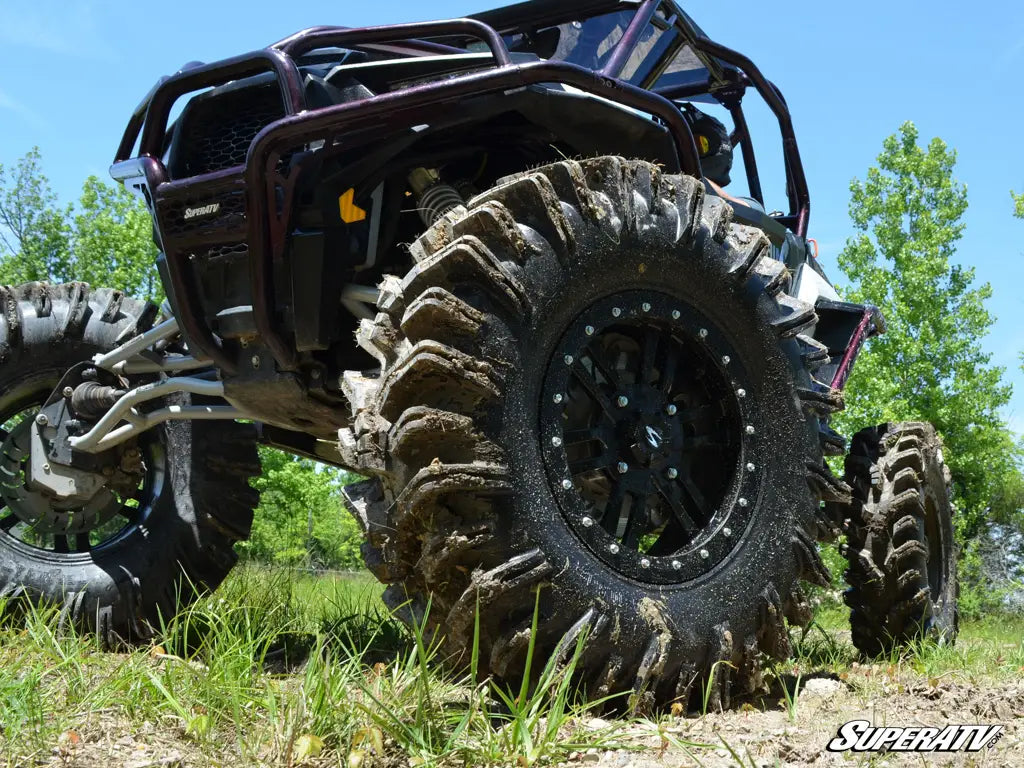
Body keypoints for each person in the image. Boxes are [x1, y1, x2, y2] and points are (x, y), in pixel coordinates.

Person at [680, 104, 764, 212]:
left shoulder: (748, 206)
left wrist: (694, 181)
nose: (683, 152)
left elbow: (755, 211)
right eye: (677, 144)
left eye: (698, 145)